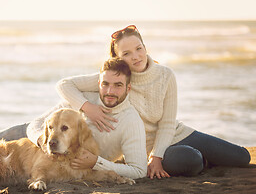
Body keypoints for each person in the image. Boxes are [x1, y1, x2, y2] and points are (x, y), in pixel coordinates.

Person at [56, 25, 251, 179]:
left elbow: (167, 124)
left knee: (243, 157)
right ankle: (203, 159)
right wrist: (88, 108)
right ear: (118, 58)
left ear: (145, 47)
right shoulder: (118, 80)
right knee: (192, 161)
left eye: (138, 49)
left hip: (177, 134)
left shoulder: (166, 75)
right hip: (147, 147)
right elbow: (64, 85)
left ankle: (204, 155)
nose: (135, 56)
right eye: (126, 54)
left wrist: (157, 157)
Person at [0, 58, 148, 179]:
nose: (109, 91)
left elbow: (139, 171)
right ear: (98, 83)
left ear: (128, 88)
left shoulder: (131, 121)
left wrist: (95, 162)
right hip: (36, 135)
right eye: (105, 84)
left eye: (118, 85)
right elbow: (36, 124)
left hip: (53, 148)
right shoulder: (83, 98)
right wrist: (44, 140)